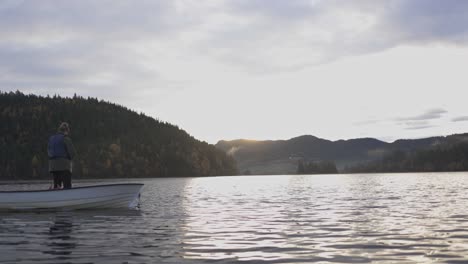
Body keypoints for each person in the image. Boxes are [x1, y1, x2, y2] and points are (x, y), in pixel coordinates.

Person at [48, 122, 77, 189]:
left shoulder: (51, 139)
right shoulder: (66, 139)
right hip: (64, 166)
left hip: (53, 167)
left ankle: (57, 197)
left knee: (57, 186)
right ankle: (67, 197)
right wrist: (70, 160)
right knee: (67, 186)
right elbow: (72, 153)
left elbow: (49, 151)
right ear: (66, 130)